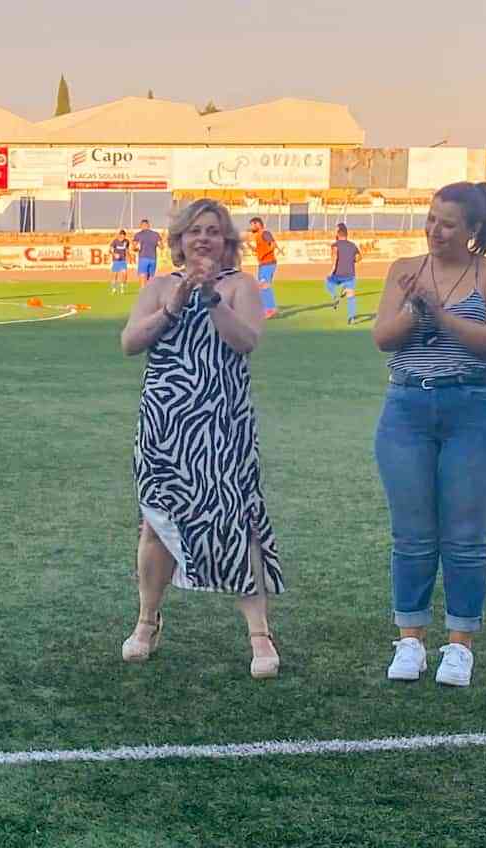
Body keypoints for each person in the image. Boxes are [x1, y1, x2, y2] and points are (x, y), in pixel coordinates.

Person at [119, 199, 284, 678]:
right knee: (156, 523)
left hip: (223, 427)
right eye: (195, 231)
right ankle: (147, 622)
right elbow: (130, 343)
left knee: (238, 519)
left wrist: (210, 296)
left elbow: (246, 340)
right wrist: (174, 304)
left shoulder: (240, 287)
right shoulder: (158, 287)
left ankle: (259, 634)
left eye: (214, 231)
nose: (204, 239)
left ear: (227, 241)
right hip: (165, 426)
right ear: (180, 240)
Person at [371, 182, 486, 688]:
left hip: (474, 409)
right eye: (432, 218)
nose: (435, 230)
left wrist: (440, 313)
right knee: (411, 534)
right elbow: (382, 338)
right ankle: (410, 639)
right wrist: (416, 308)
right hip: (407, 407)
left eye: (448, 223)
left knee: (465, 537)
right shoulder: (404, 270)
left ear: (474, 230)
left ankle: (460, 645)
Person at [326, 223, 362, 324]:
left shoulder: (335, 245)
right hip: (350, 274)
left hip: (338, 274)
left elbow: (335, 257)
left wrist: (332, 270)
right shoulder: (352, 245)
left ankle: (335, 296)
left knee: (328, 283)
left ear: (338, 233)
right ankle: (352, 318)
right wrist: (352, 261)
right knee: (351, 295)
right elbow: (359, 257)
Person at [247, 217, 279, 319]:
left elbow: (273, 245)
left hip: (268, 263)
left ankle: (271, 309)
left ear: (258, 224)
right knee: (261, 286)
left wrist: (264, 254)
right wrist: (251, 247)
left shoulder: (265, 233)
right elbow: (261, 250)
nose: (251, 227)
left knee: (264, 285)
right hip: (263, 264)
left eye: (252, 224)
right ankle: (267, 309)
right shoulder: (258, 236)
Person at [133, 219, 161, 286]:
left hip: (143, 258)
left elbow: (134, 248)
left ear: (142, 225)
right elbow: (161, 246)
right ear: (149, 225)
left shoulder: (138, 235)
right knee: (151, 278)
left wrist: (136, 248)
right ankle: (149, 293)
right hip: (153, 259)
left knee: (143, 276)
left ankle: (143, 293)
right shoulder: (156, 234)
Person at [110, 229, 131, 294]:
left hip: (123, 260)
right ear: (119, 236)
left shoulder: (126, 241)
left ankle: (122, 288)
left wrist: (128, 257)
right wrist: (114, 254)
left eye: (124, 236)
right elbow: (110, 250)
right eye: (121, 236)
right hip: (116, 261)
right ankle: (114, 288)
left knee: (124, 274)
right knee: (115, 275)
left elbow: (127, 250)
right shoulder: (115, 241)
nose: (122, 238)